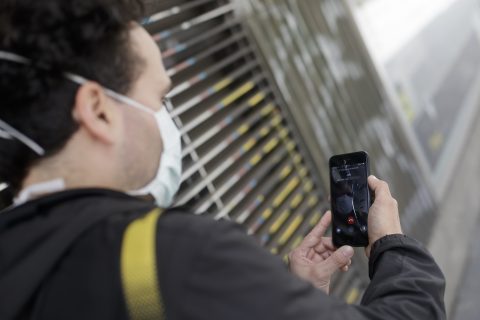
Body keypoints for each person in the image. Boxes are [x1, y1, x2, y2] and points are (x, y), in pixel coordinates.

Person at [0, 0, 445, 319]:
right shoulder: (178, 258)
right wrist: (391, 245)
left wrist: (290, 296)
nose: (166, 121)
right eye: (159, 99)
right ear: (98, 111)